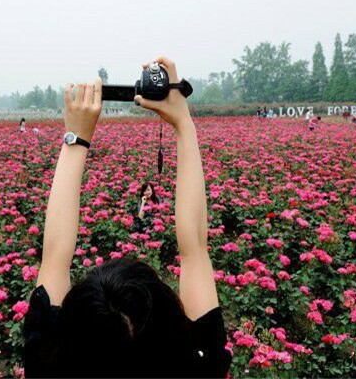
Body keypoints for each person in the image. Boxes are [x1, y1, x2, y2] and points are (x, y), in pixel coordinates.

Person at [24, 57, 231, 378]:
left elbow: (53, 257)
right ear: (177, 331)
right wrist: (183, 123)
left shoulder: (50, 364)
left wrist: (75, 138)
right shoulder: (198, 366)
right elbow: (196, 249)